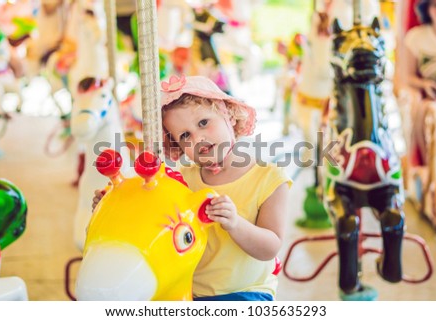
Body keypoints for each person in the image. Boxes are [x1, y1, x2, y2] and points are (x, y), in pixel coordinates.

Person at [93, 75, 292, 301]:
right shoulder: (181, 179)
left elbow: (270, 247)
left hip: (245, 291)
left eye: (203, 123)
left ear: (227, 114)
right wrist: (114, 204)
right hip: (186, 288)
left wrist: (235, 223)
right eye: (185, 135)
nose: (198, 138)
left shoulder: (268, 178)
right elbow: (150, 215)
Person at [402, 0, 436, 166]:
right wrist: (425, 85)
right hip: (432, 98)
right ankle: (430, 170)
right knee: (427, 110)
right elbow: (407, 76)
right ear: (427, 8)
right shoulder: (416, 37)